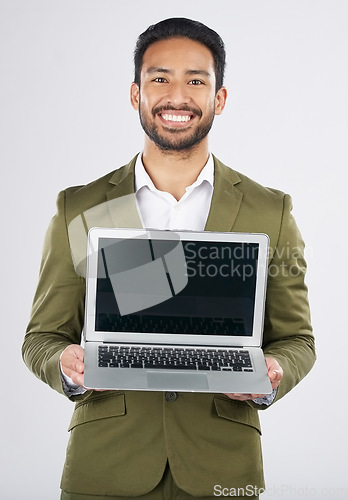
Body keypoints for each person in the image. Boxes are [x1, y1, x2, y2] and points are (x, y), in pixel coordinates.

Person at [22, 18, 316, 500]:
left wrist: (274, 373)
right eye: (159, 78)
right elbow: (42, 337)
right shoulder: (82, 208)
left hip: (222, 466)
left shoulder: (270, 210)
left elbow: (297, 339)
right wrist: (64, 363)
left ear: (218, 99)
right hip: (106, 466)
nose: (176, 96)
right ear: (136, 94)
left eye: (195, 80)